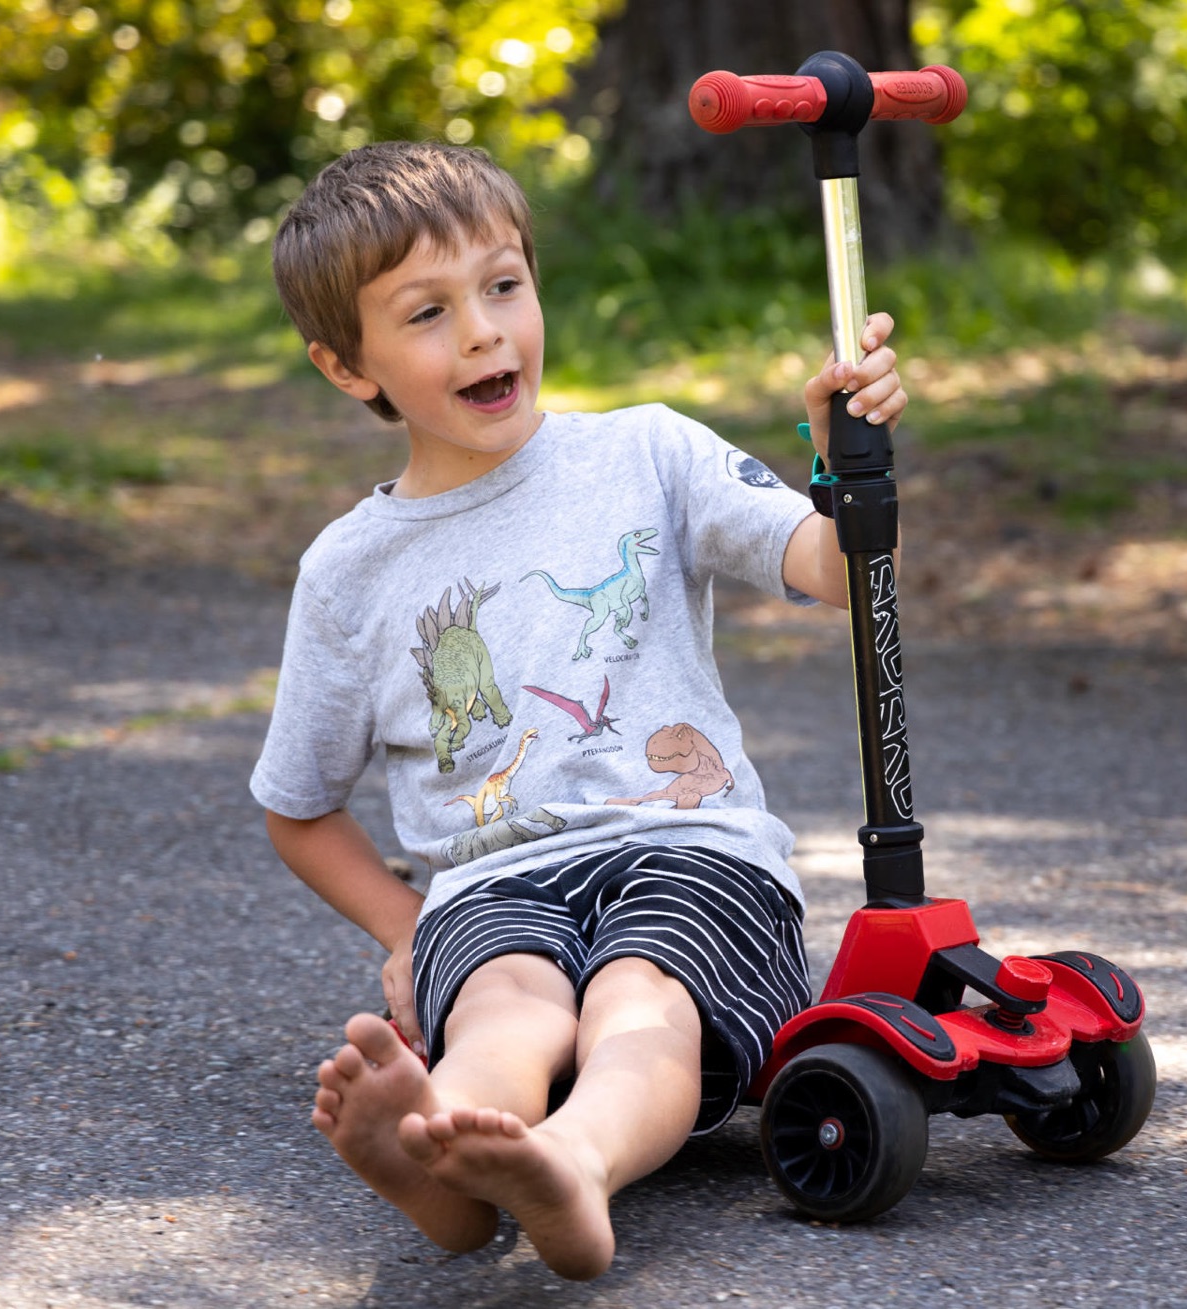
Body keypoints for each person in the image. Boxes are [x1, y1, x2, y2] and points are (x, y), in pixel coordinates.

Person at [249, 140, 908, 1280]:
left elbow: (836, 570)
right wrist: (407, 927)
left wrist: (842, 453)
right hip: (491, 881)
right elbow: (298, 807)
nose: (484, 332)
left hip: (694, 852)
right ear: (347, 365)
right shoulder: (348, 572)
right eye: (428, 313)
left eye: (504, 285)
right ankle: (444, 1165)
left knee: (642, 998)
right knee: (504, 1004)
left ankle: (575, 1163)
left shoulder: (647, 452)